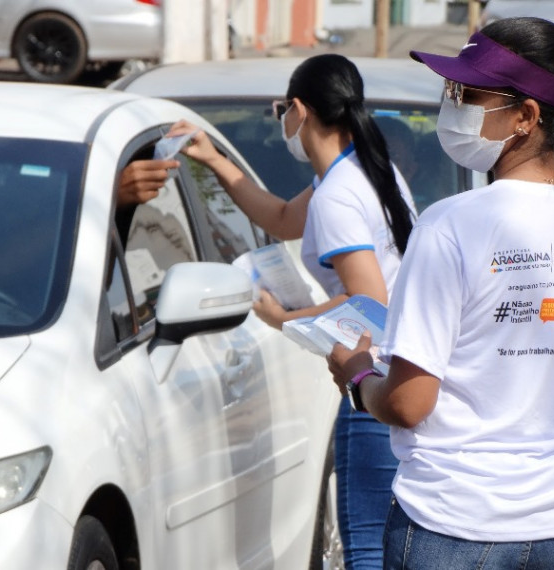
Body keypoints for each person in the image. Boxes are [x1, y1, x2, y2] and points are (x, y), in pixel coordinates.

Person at [327, 16, 554, 570]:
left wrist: (357, 376)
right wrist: (540, 380)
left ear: (525, 117)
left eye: (468, 93)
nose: (451, 104)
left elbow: (408, 402)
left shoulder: (448, 225)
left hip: (454, 525)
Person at [167, 54, 416, 569]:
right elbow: (281, 219)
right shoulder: (359, 171)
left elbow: (369, 300)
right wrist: (213, 159)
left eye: (282, 109)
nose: (283, 120)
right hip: (401, 368)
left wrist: (285, 318)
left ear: (299, 110)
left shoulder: (339, 196)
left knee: (367, 546)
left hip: (374, 376)